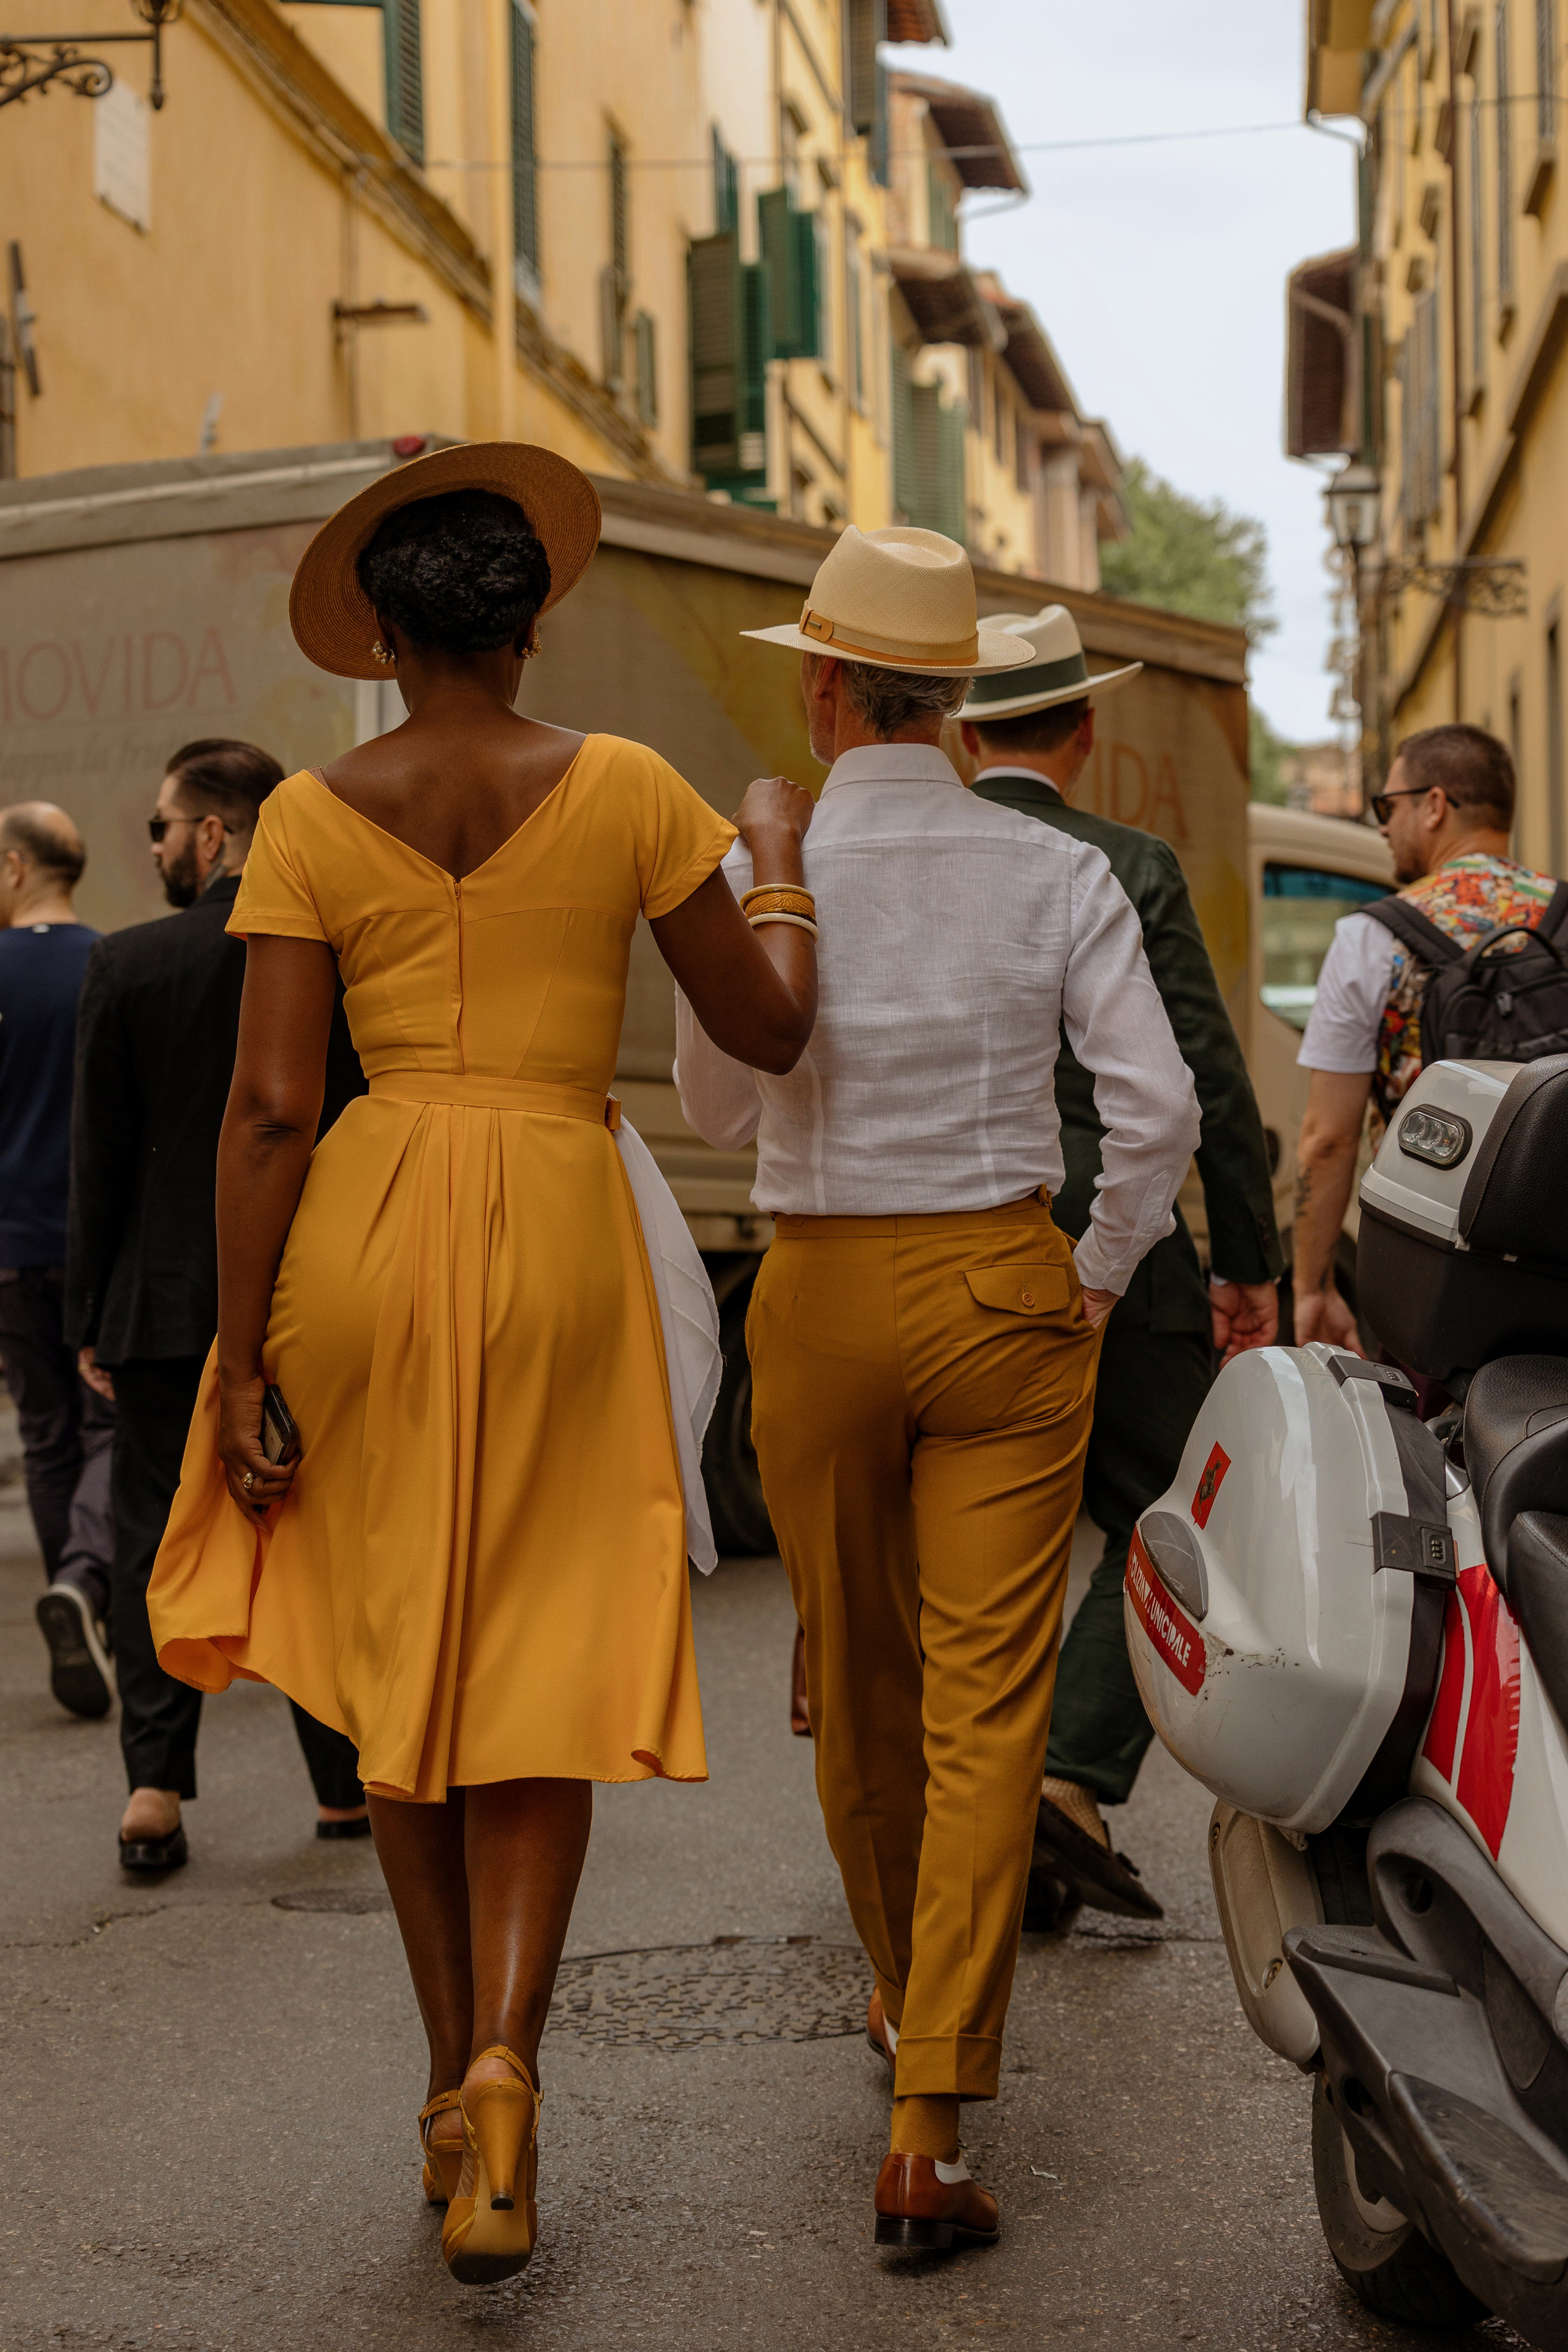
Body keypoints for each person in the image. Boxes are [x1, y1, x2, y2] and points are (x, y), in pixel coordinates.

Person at [142, 443, 818, 2286]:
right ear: (534, 621)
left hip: (363, 1232)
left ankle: (449, 2074)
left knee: (401, 1673)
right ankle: (513, 2065)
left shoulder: (304, 814)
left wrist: (234, 1353)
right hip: (556, 1215)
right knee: (532, 1661)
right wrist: (772, 868)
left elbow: (275, 1105)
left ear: (378, 629)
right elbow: (763, 1023)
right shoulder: (624, 789)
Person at [675, 527, 1200, 2252]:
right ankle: (931, 2119)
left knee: (857, 1671)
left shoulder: (769, 852)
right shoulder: (1052, 873)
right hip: (998, 1280)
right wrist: (1098, 1272)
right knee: (991, 1703)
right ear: (966, 699)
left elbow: (720, 1108)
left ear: (822, 684)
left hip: (820, 1287)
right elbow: (1161, 1114)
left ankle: (902, 1996)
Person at [957, 606, 1283, 1921]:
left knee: (962, 1536)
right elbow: (1198, 1073)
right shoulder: (1129, 862)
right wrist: (1245, 1260)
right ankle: (1066, 1779)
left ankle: (969, 1810)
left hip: (942, 1236)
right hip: (1114, 1238)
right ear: (1082, 727)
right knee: (1176, 1507)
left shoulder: (926, 851)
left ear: (965, 732)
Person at [66, 737, 369, 1874]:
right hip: (302, 1292)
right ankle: (342, 1790)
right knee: (311, 1530)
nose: (152, 847)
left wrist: (90, 1314)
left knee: (155, 1534)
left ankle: (154, 1787)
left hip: (161, 1303)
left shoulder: (131, 965)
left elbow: (100, 1160)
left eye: (159, 827)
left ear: (213, 833)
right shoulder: (334, 959)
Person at [1294, 723, 1558, 1354]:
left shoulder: (1369, 938)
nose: (1381, 825)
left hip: (1430, 1269)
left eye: (1388, 806)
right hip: (1557, 1257)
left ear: (1434, 805)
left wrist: (1311, 1286)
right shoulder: (1564, 916)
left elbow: (1326, 1141)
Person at [0, 802, 117, 1718]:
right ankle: (86, 1587)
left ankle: (69, 1593)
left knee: (44, 1436)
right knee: (108, 1430)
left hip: (10, 1243)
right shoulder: (110, 965)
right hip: (96, 1241)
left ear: (13, 868)